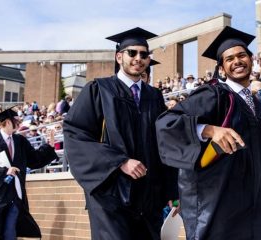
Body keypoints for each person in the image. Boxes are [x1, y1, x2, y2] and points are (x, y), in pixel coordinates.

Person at [155, 26, 261, 240]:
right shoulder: (214, 95)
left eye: (241, 55)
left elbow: (258, 156)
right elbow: (167, 122)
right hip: (223, 209)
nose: (237, 61)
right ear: (222, 69)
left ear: (251, 59)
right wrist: (209, 130)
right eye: (229, 59)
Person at [63, 27, 178, 240]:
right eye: (132, 53)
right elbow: (75, 134)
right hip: (111, 196)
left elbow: (164, 144)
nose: (138, 58)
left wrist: (171, 191)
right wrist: (120, 161)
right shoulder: (98, 90)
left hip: (148, 195)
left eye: (144, 54)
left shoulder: (154, 96)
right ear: (119, 56)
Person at [0, 108, 58, 239]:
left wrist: (49, 147)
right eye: (16, 120)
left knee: (11, 231)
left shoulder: (20, 141)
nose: (19, 122)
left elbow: (34, 160)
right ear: (7, 122)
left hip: (15, 193)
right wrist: (4, 171)